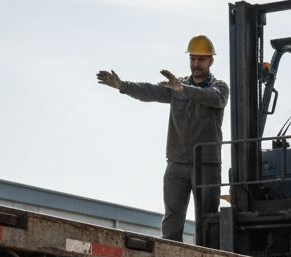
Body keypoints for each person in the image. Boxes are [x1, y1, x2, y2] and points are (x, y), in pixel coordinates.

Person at [96, 35, 229, 242]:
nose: (196, 64)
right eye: (193, 59)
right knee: (172, 216)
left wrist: (183, 89)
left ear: (211, 61)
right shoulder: (176, 86)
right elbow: (149, 90)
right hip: (177, 162)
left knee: (207, 218)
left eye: (201, 60)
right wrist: (123, 86)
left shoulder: (219, 87)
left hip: (206, 165)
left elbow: (214, 98)